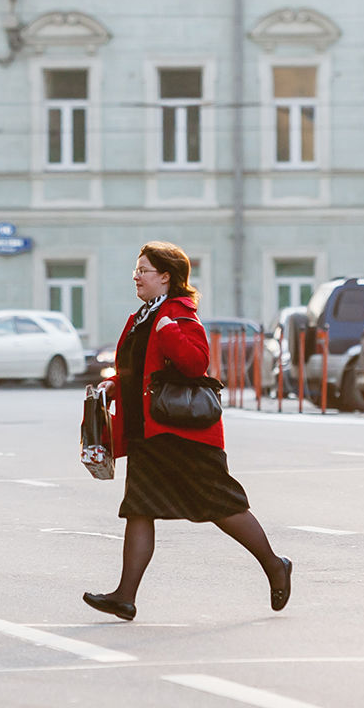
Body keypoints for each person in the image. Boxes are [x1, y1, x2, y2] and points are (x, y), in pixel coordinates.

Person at [83, 241, 291, 621]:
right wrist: (114, 384)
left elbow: (196, 364)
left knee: (222, 505)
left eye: (143, 270)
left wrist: (167, 330)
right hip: (148, 434)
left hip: (184, 435)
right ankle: (125, 596)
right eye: (137, 269)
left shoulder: (178, 316)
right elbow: (138, 369)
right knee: (139, 509)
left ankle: (275, 565)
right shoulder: (141, 317)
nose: (136, 276)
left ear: (165, 277)